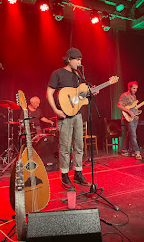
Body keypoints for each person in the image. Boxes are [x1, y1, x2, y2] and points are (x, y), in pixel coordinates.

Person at [46, 47, 91, 191]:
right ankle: (64, 175)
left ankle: (78, 173)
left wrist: (89, 92)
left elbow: (77, 96)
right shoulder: (57, 73)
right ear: (69, 59)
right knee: (65, 148)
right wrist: (55, 110)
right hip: (64, 116)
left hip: (77, 115)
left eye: (80, 59)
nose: (79, 62)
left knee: (79, 146)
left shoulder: (78, 76)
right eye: (77, 59)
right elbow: (49, 93)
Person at [117, 81, 142, 160]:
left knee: (130, 134)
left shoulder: (134, 96)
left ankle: (125, 150)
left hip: (134, 118)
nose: (135, 90)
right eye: (134, 88)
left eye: (136, 88)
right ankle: (137, 152)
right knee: (133, 135)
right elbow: (119, 105)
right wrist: (129, 111)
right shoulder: (125, 95)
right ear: (129, 87)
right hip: (128, 118)